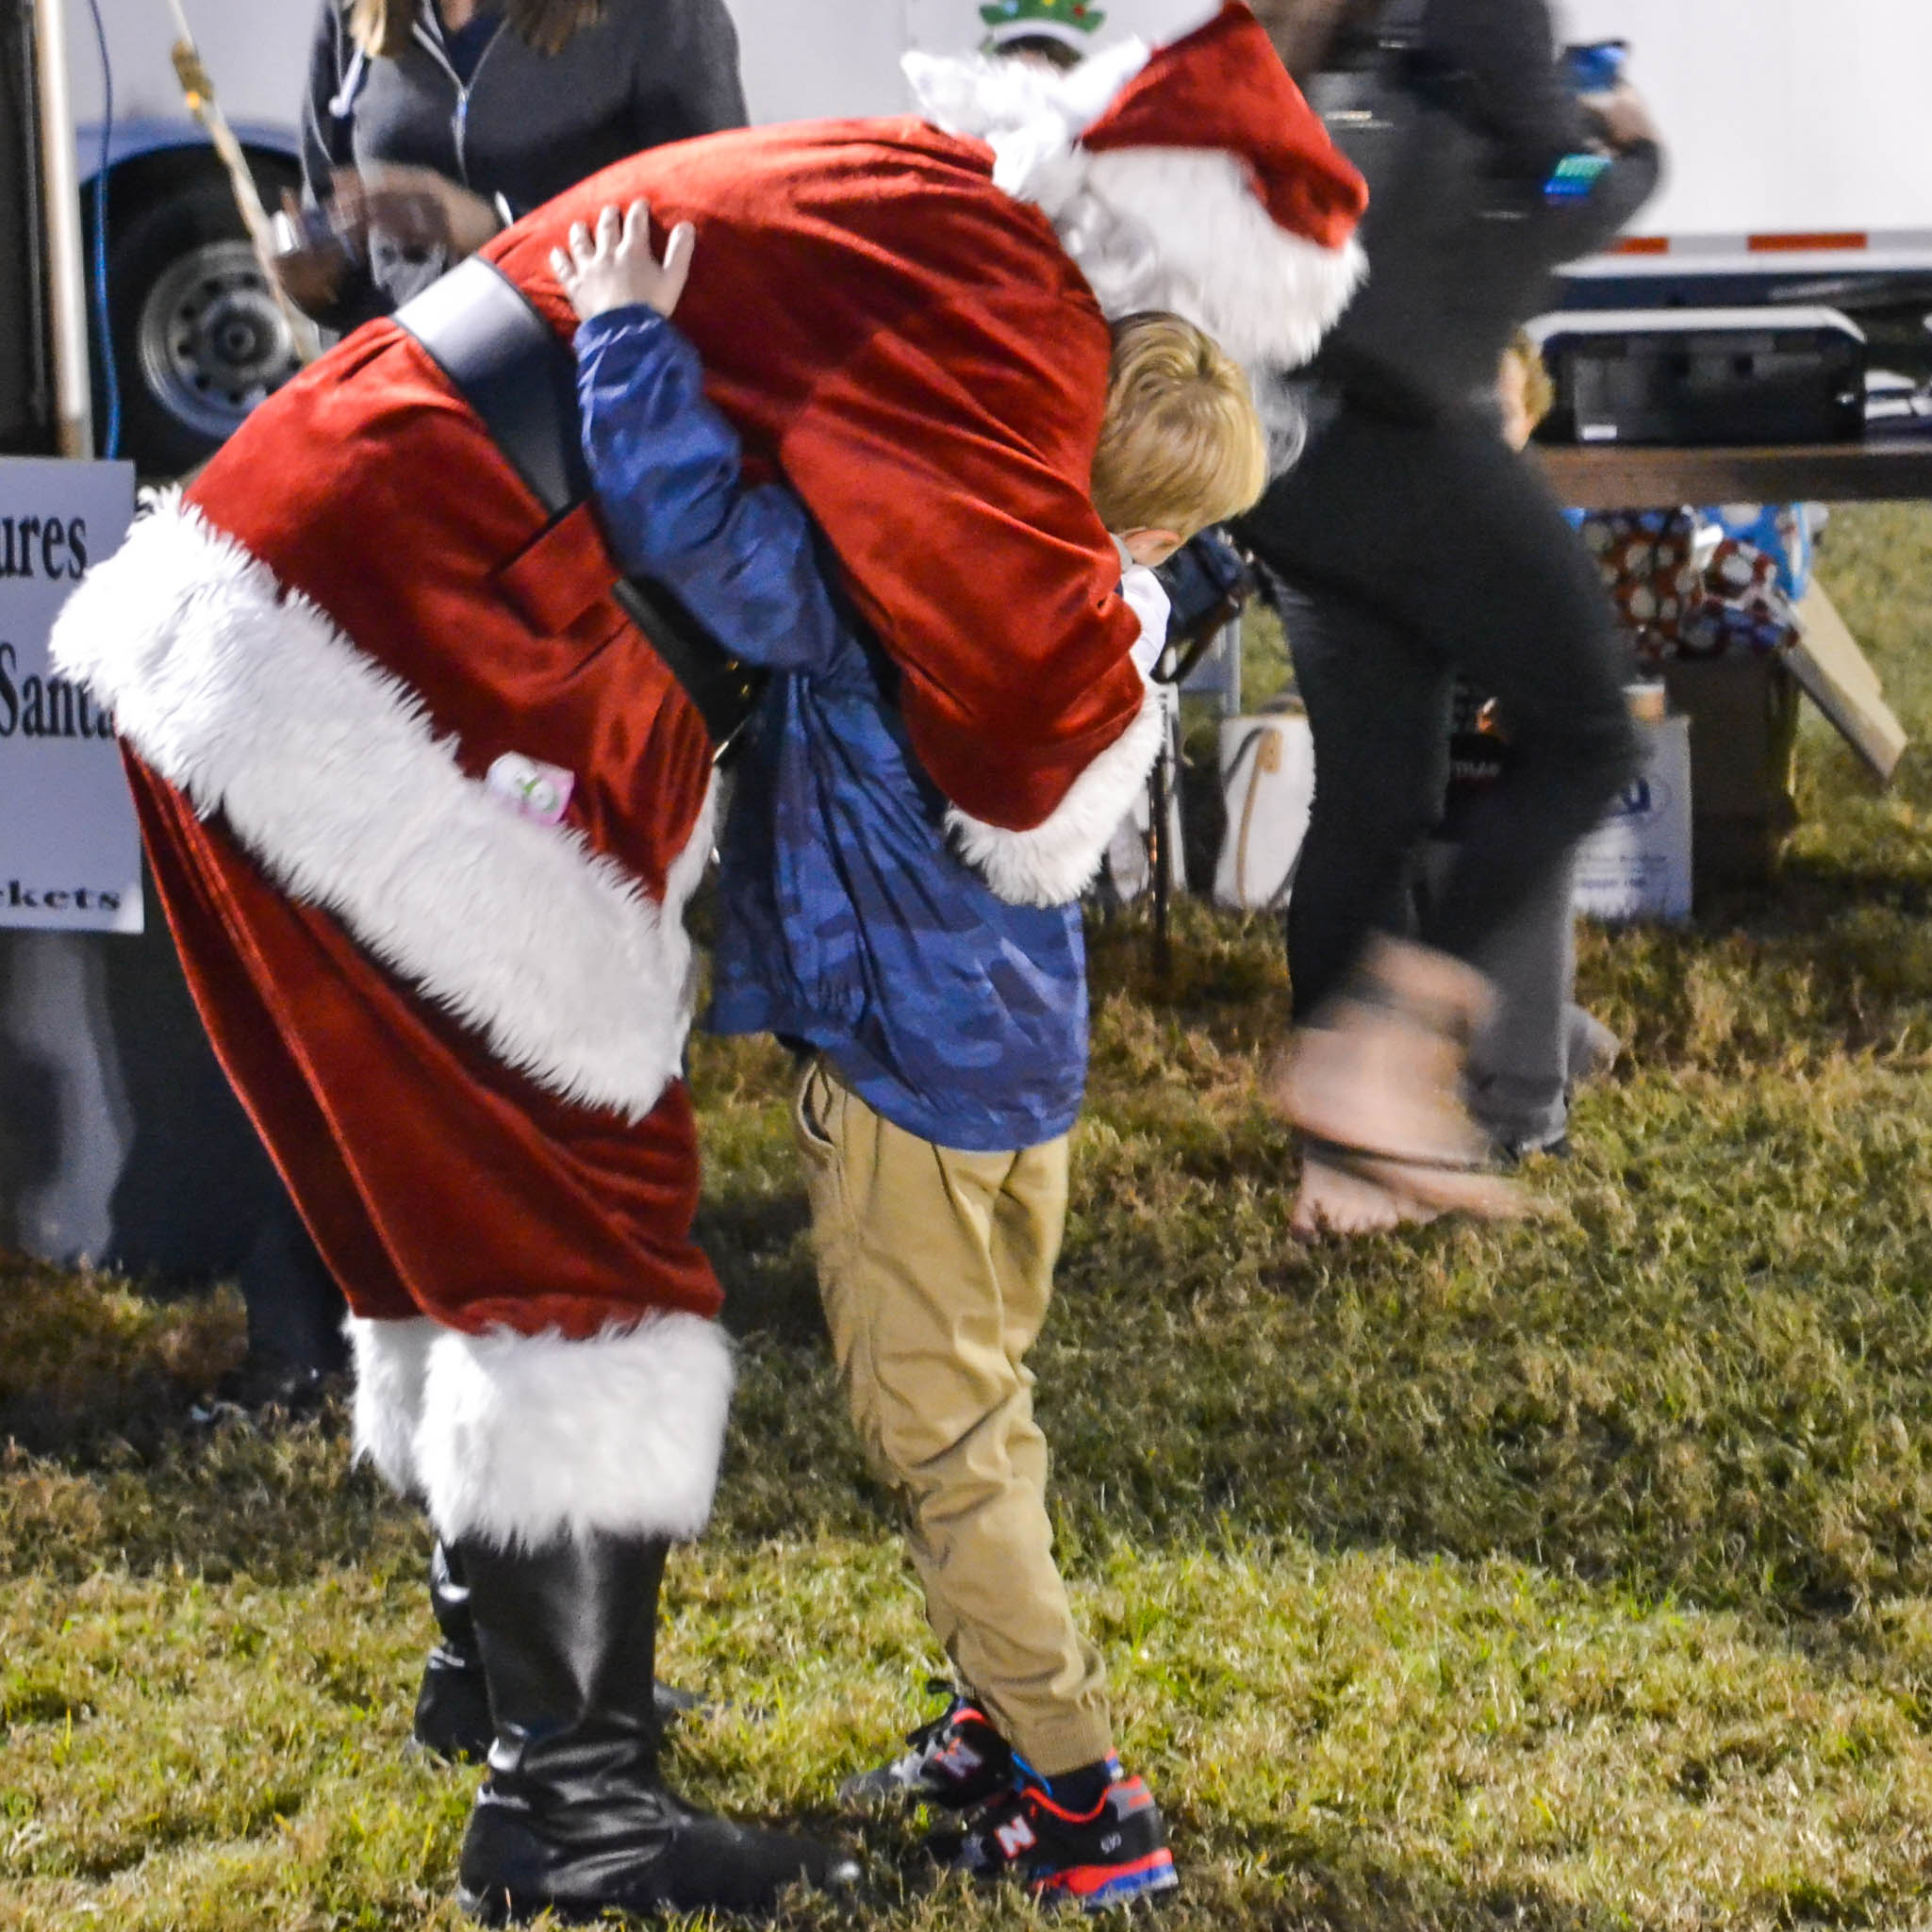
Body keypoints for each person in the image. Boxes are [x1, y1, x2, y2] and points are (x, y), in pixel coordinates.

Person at [50, 8, 1366, 1923]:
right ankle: (573, 1806)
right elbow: (1026, 727)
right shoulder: (1000, 305)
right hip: (417, 666)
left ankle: (499, 1680)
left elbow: (753, 528)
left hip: (285, 598)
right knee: (569, 1231)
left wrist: (633, 345)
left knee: (453, 1208)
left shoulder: (915, 204)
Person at [553, 202, 1267, 1910]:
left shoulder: (915, 590)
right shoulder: (1114, 611)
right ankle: (992, 1722)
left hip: (900, 1074)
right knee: (985, 1398)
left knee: (945, 1442)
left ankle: (1081, 1794)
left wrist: (624, 328)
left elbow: (693, 527)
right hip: (1021, 1069)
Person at [1237, 0, 1661, 1235]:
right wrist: (1628, 152)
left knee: (1373, 797)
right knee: (1589, 732)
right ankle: (1388, 1060)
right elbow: (1553, 178)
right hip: (1408, 427)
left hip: (1294, 441)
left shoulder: (1357, 36)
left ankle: (1342, 1166)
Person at [277, 0, 747, 328]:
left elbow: (718, 236)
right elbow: (328, 208)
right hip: (411, 398)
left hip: (582, 392)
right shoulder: (353, 11)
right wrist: (316, 286)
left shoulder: (659, 11)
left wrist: (497, 228)